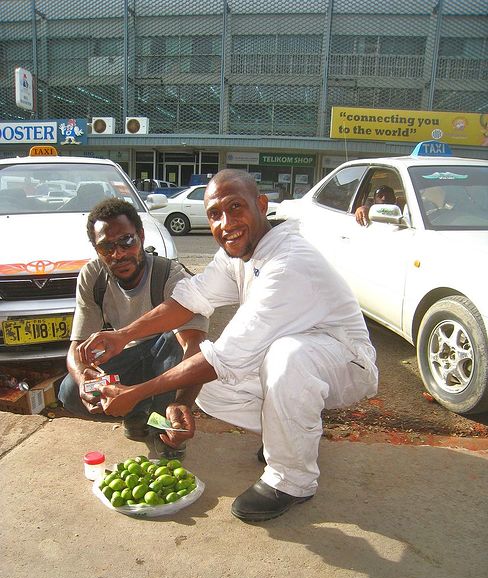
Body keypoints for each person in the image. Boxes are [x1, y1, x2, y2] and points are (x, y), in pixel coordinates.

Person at [77, 170, 378, 523]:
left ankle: (293, 479)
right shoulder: (240, 254)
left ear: (261, 205)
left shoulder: (288, 263)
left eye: (236, 207)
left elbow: (223, 357)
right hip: (300, 353)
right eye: (214, 214)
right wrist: (123, 335)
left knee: (284, 357)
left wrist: (135, 392)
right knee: (206, 388)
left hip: (345, 361)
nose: (226, 223)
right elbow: (191, 299)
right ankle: (289, 439)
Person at [58, 197, 208, 457]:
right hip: (127, 357)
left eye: (126, 241)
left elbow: (194, 348)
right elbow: (76, 347)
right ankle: (138, 413)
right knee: (70, 392)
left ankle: (165, 429)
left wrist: (182, 403)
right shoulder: (93, 277)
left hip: (165, 359)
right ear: (96, 250)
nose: (118, 254)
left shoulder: (170, 276)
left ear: (140, 236)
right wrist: (83, 379)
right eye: (106, 247)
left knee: (175, 342)